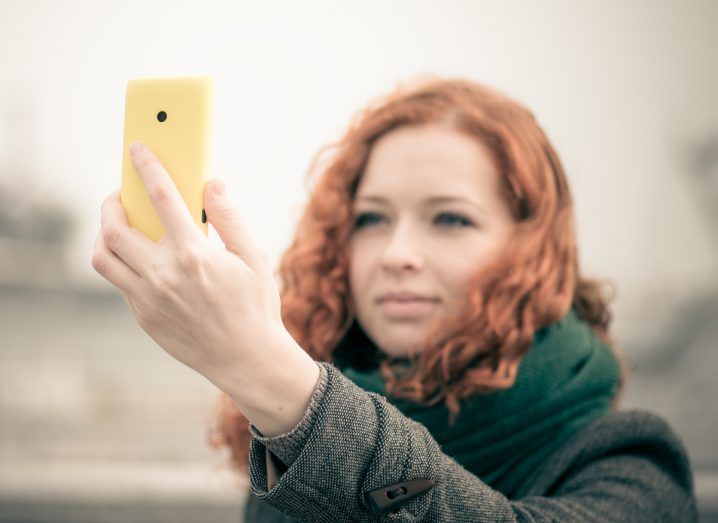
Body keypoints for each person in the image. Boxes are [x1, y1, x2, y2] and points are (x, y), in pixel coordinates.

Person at [92, 75, 698, 522]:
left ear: (533, 253)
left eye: (451, 221)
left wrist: (271, 376)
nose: (396, 253)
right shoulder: (286, 450)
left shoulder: (631, 467)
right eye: (372, 219)